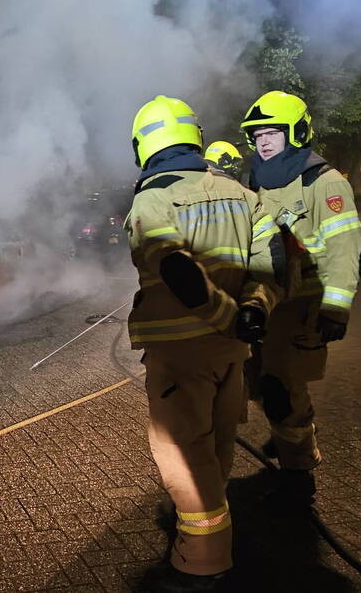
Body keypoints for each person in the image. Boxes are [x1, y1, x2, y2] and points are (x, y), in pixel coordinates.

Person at [125, 96, 282, 591]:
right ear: (194, 138)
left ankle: (202, 562)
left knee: (184, 455)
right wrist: (255, 310)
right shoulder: (242, 194)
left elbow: (176, 271)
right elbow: (274, 261)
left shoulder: (152, 200)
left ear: (143, 145)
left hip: (181, 354)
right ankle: (212, 526)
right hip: (231, 353)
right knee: (216, 442)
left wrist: (229, 317)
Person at [239, 90, 361, 498]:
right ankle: (292, 428)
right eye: (258, 136)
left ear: (296, 133)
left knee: (280, 386)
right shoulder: (256, 179)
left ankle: (299, 471)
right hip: (266, 300)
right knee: (256, 380)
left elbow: (345, 248)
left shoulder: (324, 182)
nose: (264, 142)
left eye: (272, 133)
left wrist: (336, 309)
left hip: (303, 303)